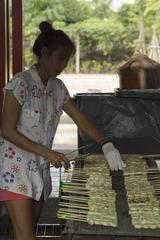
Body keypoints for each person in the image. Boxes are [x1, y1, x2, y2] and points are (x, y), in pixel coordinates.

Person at [0, 21, 124, 240]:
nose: (64, 65)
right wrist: (47, 152)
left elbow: (81, 120)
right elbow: (6, 130)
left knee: (26, 231)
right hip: (14, 169)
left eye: (67, 60)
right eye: (61, 58)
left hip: (40, 169)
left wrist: (106, 144)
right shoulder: (20, 83)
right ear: (45, 53)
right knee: (26, 236)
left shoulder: (57, 88)